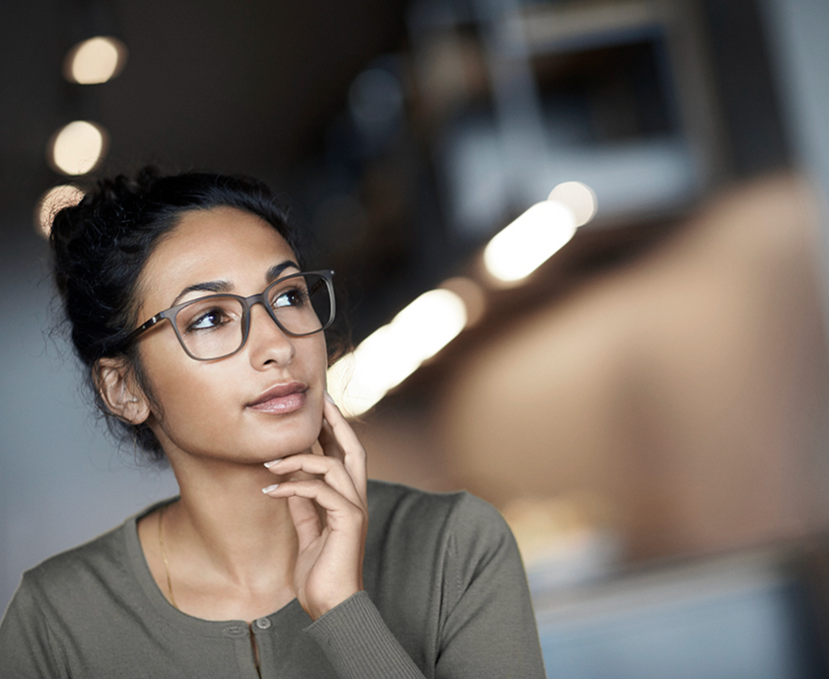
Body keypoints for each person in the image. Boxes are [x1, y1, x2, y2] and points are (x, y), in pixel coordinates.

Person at [0, 169, 547, 678]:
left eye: (288, 296)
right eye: (210, 317)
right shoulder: (56, 620)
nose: (278, 344)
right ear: (125, 389)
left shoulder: (456, 546)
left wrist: (343, 611)